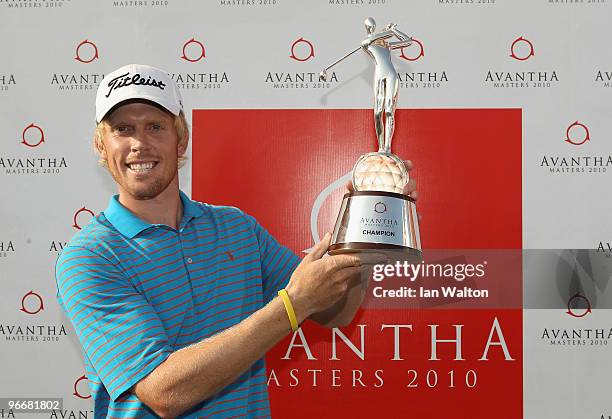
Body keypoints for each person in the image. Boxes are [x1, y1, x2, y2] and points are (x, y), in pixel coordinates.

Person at [55, 64, 417, 418]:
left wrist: (364, 229)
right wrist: (291, 305)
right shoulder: (87, 259)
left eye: (155, 127)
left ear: (181, 138)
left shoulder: (235, 227)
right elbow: (165, 392)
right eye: (122, 129)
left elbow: (335, 311)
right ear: (102, 145)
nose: (139, 143)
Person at [361, 18, 412, 153]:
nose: (370, 28)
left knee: (389, 111)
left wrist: (394, 30)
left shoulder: (386, 45)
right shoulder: (366, 43)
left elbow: (408, 41)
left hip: (391, 75)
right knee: (378, 113)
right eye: (368, 27)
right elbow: (378, 37)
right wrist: (389, 31)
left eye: (372, 26)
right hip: (379, 76)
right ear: (367, 29)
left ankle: (387, 147)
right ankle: (380, 147)